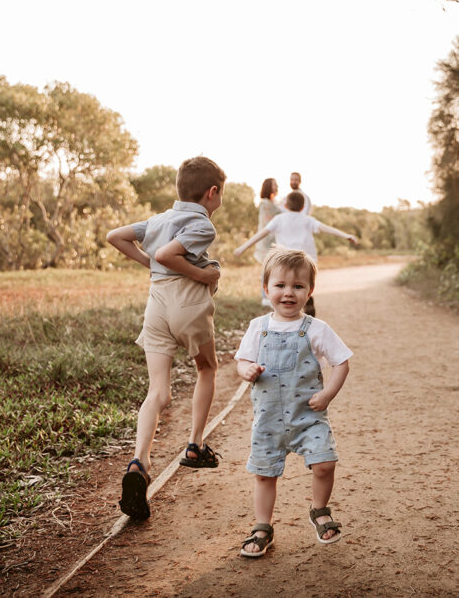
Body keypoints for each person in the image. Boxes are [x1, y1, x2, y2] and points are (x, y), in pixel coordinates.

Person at [106, 156, 227, 521]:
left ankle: (138, 463)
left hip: (156, 304)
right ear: (212, 192)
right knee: (207, 368)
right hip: (187, 303)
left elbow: (116, 237)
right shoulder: (202, 224)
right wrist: (203, 275)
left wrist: (150, 266)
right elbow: (167, 253)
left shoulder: (158, 219)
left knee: (157, 392)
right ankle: (195, 445)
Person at [233, 249, 352, 557]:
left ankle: (319, 510)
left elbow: (341, 363)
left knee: (325, 462)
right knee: (264, 473)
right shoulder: (257, 327)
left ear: (309, 291)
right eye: (280, 285)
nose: (288, 293)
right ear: (266, 289)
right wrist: (247, 369)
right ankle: (262, 527)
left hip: (307, 417)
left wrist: (327, 395)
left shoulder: (315, 328)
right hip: (268, 418)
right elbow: (243, 360)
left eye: (298, 287)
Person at [233, 191, 357, 316]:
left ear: (285, 205)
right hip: (305, 261)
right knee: (301, 286)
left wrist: (243, 247)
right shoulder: (307, 219)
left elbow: (261, 234)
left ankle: (284, 313)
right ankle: (306, 307)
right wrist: (346, 235)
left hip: (284, 261)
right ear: (303, 207)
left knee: (285, 285)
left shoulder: (279, 219)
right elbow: (326, 228)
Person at [254, 178, 282, 305]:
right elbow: (271, 220)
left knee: (273, 269)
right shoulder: (266, 204)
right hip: (266, 241)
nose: (276, 187)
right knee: (267, 269)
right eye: (274, 185)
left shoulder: (272, 203)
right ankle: (265, 296)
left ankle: (270, 295)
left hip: (273, 240)